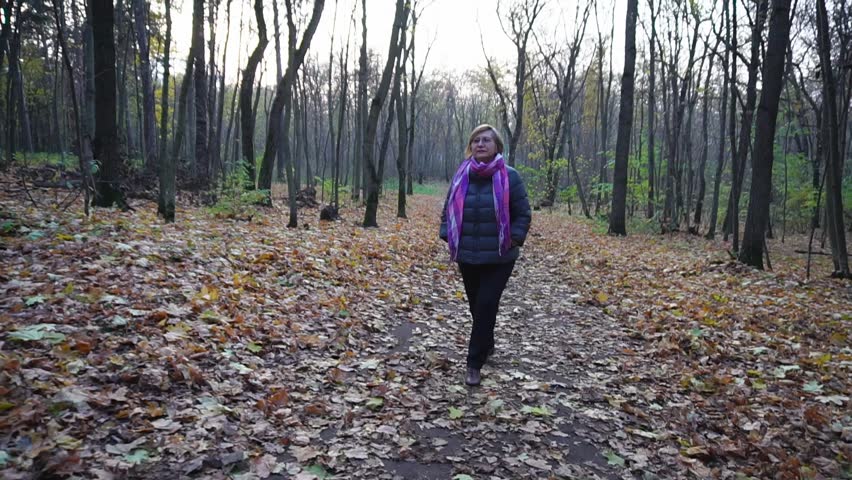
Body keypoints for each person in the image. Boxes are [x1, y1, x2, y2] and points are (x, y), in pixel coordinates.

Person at [439, 124, 532, 386]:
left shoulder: (510, 176)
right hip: (468, 254)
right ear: (471, 145)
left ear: (497, 146)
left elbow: (523, 212)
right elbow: (448, 209)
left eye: (487, 140)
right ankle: (487, 341)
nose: (481, 144)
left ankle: (473, 363)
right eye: (477, 140)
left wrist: (514, 237)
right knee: (476, 306)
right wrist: (448, 233)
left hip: (500, 256)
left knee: (486, 303)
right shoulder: (461, 175)